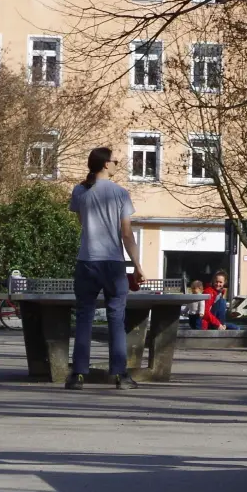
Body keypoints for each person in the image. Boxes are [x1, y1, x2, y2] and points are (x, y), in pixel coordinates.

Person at [67, 147, 146, 390]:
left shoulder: (80, 191)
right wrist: (138, 265)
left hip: (87, 261)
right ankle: (120, 375)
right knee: (116, 318)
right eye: (115, 161)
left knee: (84, 318)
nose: (117, 164)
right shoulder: (120, 193)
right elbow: (126, 234)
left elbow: (82, 222)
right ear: (104, 165)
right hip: (113, 264)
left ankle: (78, 374)